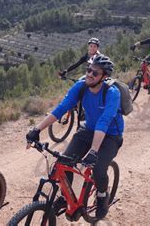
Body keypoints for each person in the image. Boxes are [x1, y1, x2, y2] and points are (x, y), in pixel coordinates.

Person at [26, 54, 124, 220]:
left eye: (95, 73)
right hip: (88, 130)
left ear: (104, 77)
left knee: (99, 169)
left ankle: (102, 195)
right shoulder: (81, 86)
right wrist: (37, 129)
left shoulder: (112, 93)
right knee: (63, 162)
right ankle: (65, 197)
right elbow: (61, 108)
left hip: (110, 135)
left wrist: (93, 151)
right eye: (88, 70)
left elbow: (104, 121)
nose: (89, 75)